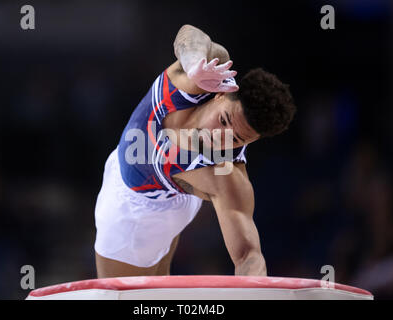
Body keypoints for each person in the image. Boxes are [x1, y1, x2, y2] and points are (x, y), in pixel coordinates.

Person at [94, 24, 296, 278]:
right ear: (222, 94)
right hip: (147, 177)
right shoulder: (203, 78)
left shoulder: (226, 175)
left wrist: (256, 292)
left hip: (142, 208)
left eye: (236, 139)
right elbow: (190, 35)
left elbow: (248, 256)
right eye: (223, 121)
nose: (219, 138)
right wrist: (192, 64)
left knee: (122, 296)